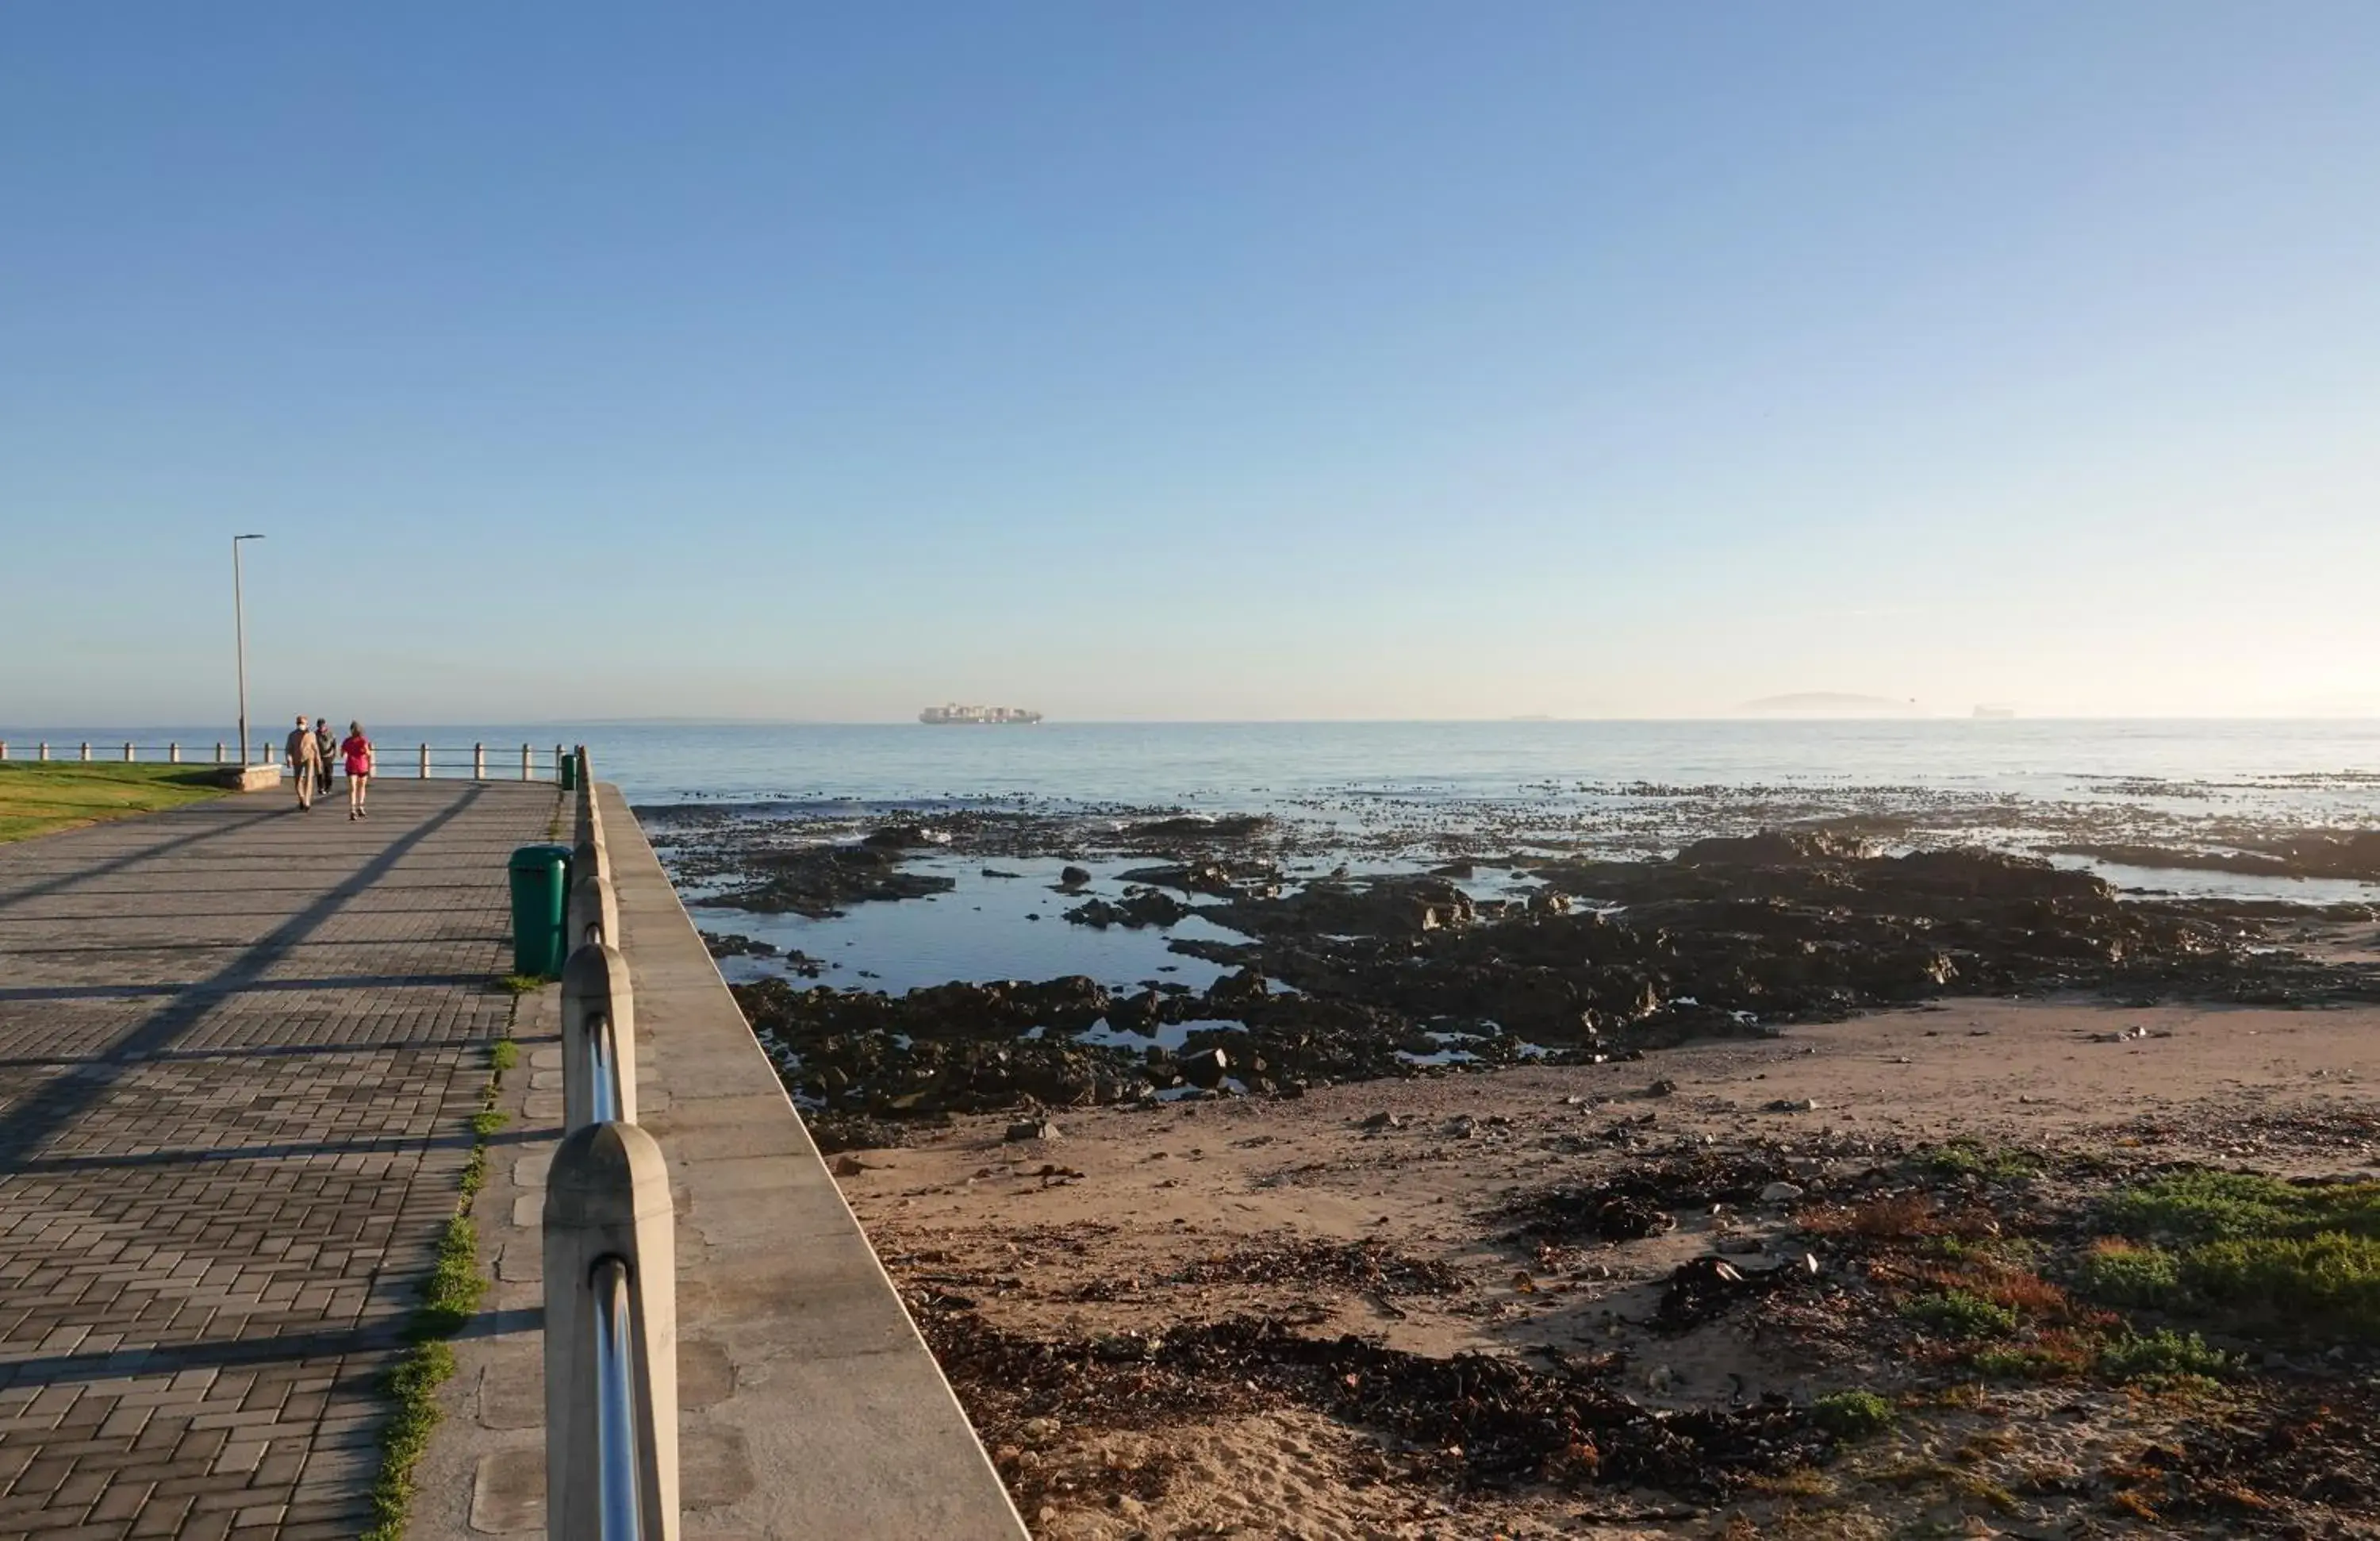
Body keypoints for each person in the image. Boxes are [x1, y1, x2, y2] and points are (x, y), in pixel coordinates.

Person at [285, 714, 321, 810]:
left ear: (307, 724)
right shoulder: (292, 735)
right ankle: (302, 798)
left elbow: (316, 748)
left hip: (309, 758)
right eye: (299, 723)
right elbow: (288, 749)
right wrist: (289, 758)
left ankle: (307, 801)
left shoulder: (311, 735)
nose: (300, 724)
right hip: (297, 759)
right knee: (297, 782)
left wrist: (318, 761)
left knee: (309, 779)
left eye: (302, 723)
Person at [341, 721, 374, 819]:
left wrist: (365, 752)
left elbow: (368, 754)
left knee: (362, 786)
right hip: (351, 766)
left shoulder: (363, 740)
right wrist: (344, 753)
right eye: (353, 729)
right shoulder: (347, 741)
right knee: (353, 787)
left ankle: (360, 806)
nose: (354, 731)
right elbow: (342, 753)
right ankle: (352, 809)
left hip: (362, 766)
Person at [315, 718, 337, 795]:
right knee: (319, 772)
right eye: (319, 726)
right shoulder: (315, 734)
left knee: (329, 773)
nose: (321, 727)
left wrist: (334, 755)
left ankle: (328, 788)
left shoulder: (331, 734)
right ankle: (321, 788)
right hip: (319, 756)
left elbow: (334, 745)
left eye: (322, 725)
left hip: (329, 755)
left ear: (325, 725)